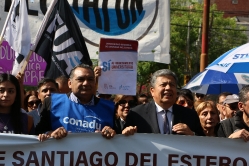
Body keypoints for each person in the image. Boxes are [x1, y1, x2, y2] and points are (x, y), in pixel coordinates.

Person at [36, 64, 116, 141]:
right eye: (80, 79)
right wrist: (51, 134)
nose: (86, 83)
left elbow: (120, 140)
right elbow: (37, 133)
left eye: (90, 79)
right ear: (70, 83)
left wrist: (112, 133)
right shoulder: (52, 102)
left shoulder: (109, 107)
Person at [122, 69, 204, 136]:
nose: (168, 88)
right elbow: (124, 144)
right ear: (152, 91)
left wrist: (192, 134)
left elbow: (203, 144)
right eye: (163, 85)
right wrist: (126, 133)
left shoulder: (190, 115)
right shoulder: (137, 114)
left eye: (172, 85)